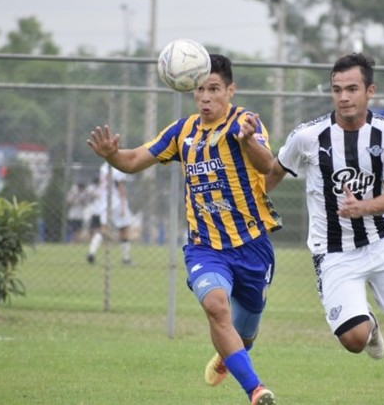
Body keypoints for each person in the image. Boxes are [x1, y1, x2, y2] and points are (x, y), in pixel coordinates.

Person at [86, 54, 280, 405]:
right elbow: (132, 161)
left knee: (245, 332)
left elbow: (268, 166)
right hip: (204, 246)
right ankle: (256, 390)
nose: (205, 97)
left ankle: (228, 355)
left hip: (252, 245)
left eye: (214, 89)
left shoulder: (246, 123)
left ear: (230, 91)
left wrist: (249, 141)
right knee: (217, 307)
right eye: (200, 90)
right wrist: (111, 155)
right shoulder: (182, 131)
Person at [267, 53, 384, 405]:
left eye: (352, 89)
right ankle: (367, 323)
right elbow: (275, 170)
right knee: (354, 339)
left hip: (383, 243)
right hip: (334, 252)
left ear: (371, 91)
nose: (344, 97)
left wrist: (361, 208)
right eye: (337, 89)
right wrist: (254, 198)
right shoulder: (308, 136)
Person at [86, 162, 134, 265]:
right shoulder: (119, 165)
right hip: (116, 201)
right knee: (125, 228)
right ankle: (126, 258)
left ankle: (92, 252)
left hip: (104, 201)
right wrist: (123, 206)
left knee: (103, 229)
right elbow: (121, 187)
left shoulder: (103, 167)